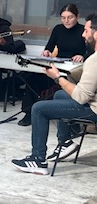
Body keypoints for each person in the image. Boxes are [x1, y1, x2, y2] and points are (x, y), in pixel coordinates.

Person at [11, 13, 97, 176]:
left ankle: (38, 160)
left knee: (39, 109)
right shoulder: (92, 59)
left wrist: (57, 78)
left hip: (94, 109)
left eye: (86, 31)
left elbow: (81, 96)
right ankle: (65, 142)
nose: (83, 35)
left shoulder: (95, 60)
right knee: (59, 95)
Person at [17, 3, 87, 126]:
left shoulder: (83, 31)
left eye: (70, 17)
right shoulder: (58, 29)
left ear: (77, 16)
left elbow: (91, 52)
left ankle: (69, 119)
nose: (66, 21)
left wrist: (82, 56)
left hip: (75, 68)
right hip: (58, 65)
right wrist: (46, 52)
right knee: (34, 78)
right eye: (63, 18)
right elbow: (49, 47)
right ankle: (28, 113)